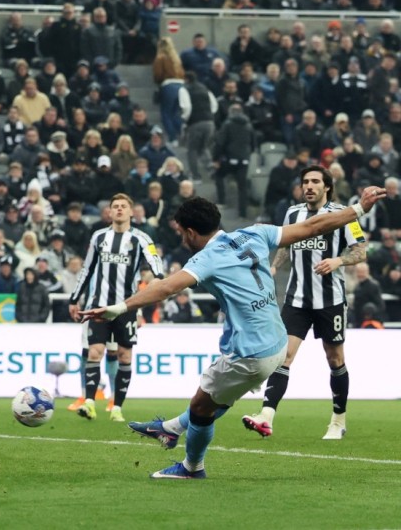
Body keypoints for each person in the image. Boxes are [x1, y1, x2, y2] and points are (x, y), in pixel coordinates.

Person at [88, 186, 387, 479]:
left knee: (200, 406)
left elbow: (165, 287)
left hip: (250, 354)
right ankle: (171, 429)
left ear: (190, 232)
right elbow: (312, 226)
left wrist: (120, 307)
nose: (182, 237)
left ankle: (192, 467)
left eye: (182, 232)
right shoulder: (254, 232)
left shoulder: (205, 259)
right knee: (216, 399)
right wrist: (358, 208)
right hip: (277, 343)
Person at [243, 166, 367, 440]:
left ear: (327, 187)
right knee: (283, 356)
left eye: (314, 182)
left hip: (330, 300)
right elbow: (286, 246)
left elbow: (360, 250)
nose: (308, 186)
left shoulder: (343, 213)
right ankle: (266, 416)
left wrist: (338, 260)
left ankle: (338, 420)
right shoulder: (293, 213)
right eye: (305, 182)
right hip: (296, 299)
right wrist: (274, 268)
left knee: (334, 359)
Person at [68, 193, 164, 422]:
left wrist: (160, 278)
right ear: (109, 212)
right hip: (98, 306)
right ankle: (90, 403)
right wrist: (74, 299)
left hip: (125, 307)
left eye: (123, 206)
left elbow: (155, 261)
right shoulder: (99, 237)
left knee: (124, 355)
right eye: (115, 207)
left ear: (131, 212)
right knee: (95, 352)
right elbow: (87, 269)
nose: (119, 209)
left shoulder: (141, 238)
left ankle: (117, 407)